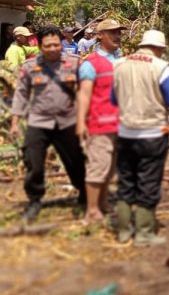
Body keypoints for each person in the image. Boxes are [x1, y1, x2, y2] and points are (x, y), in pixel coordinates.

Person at [111, 30, 169, 246]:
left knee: (125, 182)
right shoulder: (160, 67)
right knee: (148, 183)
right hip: (152, 134)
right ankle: (144, 234)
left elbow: (113, 99)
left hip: (125, 133)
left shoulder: (119, 64)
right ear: (159, 48)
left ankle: (124, 231)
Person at [10, 25, 86, 222]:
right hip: (39, 121)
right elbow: (21, 94)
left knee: (75, 161)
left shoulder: (74, 63)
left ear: (61, 43)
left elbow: (85, 92)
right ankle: (34, 200)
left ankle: (85, 194)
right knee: (33, 161)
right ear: (40, 46)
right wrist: (15, 122)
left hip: (67, 121)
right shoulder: (30, 66)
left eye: (56, 45)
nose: (53, 49)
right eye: (48, 46)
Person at [75, 19, 124, 224]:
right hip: (99, 124)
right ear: (100, 36)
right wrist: (80, 123)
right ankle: (92, 211)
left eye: (119, 32)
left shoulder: (120, 60)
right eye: (112, 32)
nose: (117, 36)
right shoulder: (91, 63)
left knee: (110, 169)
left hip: (119, 124)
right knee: (98, 167)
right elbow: (84, 94)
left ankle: (102, 203)